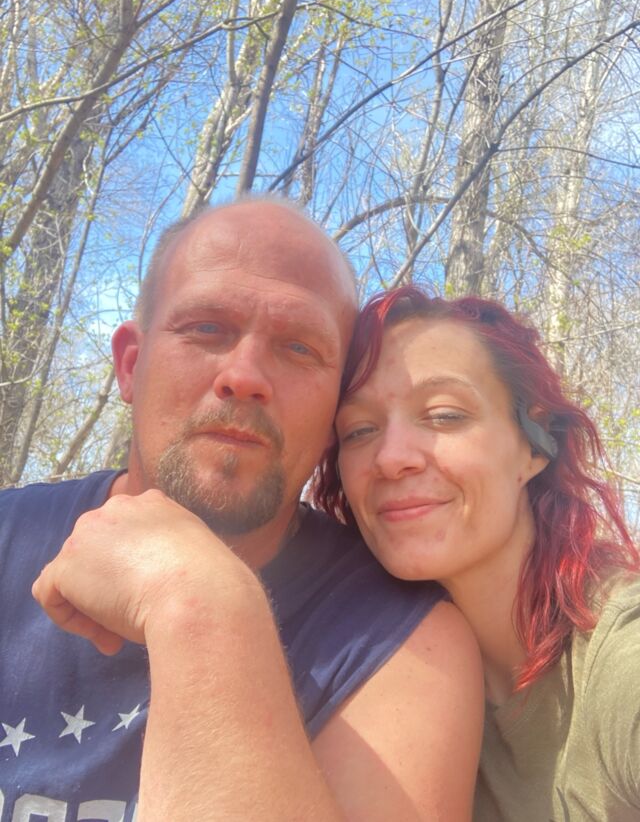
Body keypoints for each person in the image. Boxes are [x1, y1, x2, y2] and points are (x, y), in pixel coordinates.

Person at [0, 200, 484, 822]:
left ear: (334, 416)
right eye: (206, 328)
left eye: (299, 347)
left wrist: (199, 602)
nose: (245, 375)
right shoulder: (10, 538)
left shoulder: (404, 645)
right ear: (130, 365)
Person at [315, 285, 640, 822]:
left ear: (535, 444)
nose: (390, 458)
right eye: (360, 429)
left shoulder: (619, 656)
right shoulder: (362, 666)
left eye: (444, 416)